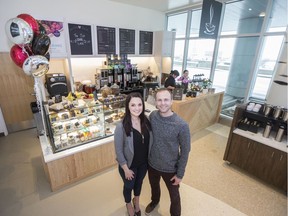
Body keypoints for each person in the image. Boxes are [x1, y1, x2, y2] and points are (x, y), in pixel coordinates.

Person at [145, 88, 191, 216]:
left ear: (171, 101)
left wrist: (180, 174)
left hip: (170, 169)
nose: (162, 103)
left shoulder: (181, 125)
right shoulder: (153, 116)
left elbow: (185, 151)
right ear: (156, 101)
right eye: (159, 100)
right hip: (152, 164)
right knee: (154, 186)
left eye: (166, 100)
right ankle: (154, 201)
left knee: (174, 197)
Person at [114, 92, 153, 216]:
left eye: (139, 104)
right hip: (129, 166)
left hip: (143, 163)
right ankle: (128, 203)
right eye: (133, 105)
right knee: (129, 186)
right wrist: (125, 169)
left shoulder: (146, 122)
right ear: (128, 107)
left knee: (139, 183)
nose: (137, 108)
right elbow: (118, 151)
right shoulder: (121, 126)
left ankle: (136, 201)